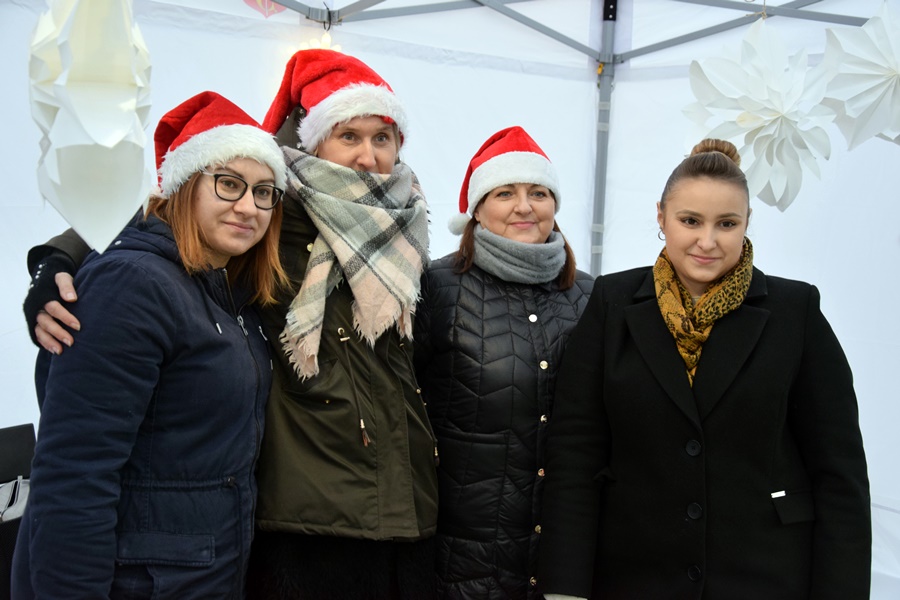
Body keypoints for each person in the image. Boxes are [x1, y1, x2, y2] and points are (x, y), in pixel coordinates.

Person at [21, 49, 438, 599]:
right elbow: (157, 205)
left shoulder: (408, 228)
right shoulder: (277, 215)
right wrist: (56, 260)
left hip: (369, 517)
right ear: (308, 144)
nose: (367, 155)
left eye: (382, 138)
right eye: (348, 135)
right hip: (298, 518)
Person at [537, 139, 872, 600]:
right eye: (690, 221)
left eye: (727, 224)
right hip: (633, 577)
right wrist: (565, 589)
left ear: (747, 223)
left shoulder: (796, 312)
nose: (707, 241)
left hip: (766, 577)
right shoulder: (613, 302)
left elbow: (839, 474)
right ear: (661, 217)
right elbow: (575, 454)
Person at [12, 90, 288, 598]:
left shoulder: (229, 293)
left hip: (201, 575)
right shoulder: (133, 284)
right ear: (182, 186)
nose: (248, 206)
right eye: (229, 184)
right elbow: (75, 475)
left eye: (265, 191)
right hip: (136, 580)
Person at [413, 126, 593, 599]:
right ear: (477, 208)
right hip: (461, 555)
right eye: (505, 193)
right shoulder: (436, 288)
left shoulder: (589, 296)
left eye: (538, 192)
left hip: (556, 550)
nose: (524, 206)